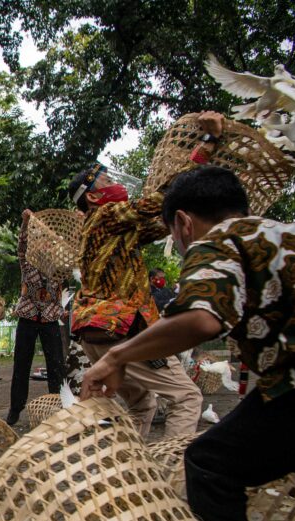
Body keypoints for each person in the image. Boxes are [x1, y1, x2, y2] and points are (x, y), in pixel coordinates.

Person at [81, 165, 295, 521]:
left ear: (183, 223)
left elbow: (202, 319)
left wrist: (118, 355)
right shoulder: (293, 234)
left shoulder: (223, 240)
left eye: (170, 235)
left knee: (210, 462)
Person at [67, 113, 226, 438]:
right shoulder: (107, 215)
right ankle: (171, 480)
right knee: (186, 396)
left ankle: (131, 479)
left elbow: (160, 221)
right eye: (106, 180)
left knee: (142, 405)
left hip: (96, 332)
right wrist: (206, 147)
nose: (115, 182)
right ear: (94, 197)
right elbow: (161, 199)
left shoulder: (105, 228)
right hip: (121, 329)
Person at [6, 210, 66, 425]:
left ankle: (58, 407)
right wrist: (24, 223)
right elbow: (21, 245)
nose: (45, 246)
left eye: (49, 244)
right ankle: (15, 409)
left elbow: (78, 252)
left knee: (56, 365)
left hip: (50, 318)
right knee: (21, 364)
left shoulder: (60, 267)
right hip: (28, 317)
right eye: (41, 243)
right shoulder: (27, 262)